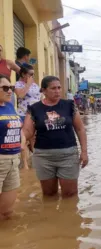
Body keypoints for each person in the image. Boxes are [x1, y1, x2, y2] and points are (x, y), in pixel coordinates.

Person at [22, 76, 88, 198]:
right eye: (53, 88)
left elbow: (80, 129)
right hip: (43, 157)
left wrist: (84, 152)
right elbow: (27, 130)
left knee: (70, 194)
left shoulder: (70, 105)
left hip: (68, 155)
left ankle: (69, 216)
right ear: (44, 90)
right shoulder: (34, 109)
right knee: (49, 194)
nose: (57, 91)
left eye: (59, 88)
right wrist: (20, 138)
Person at [0, 74, 22, 220]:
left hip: (13, 160)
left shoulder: (9, 105)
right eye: (5, 88)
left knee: (7, 212)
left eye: (11, 88)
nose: (10, 91)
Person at [15, 64, 41, 170]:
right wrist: (28, 85)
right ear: (23, 74)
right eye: (30, 74)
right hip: (23, 114)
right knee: (24, 139)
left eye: (33, 75)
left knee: (34, 139)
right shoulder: (18, 84)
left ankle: (36, 163)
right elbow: (20, 96)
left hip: (35, 115)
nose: (32, 77)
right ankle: (25, 164)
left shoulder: (35, 84)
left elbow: (40, 97)